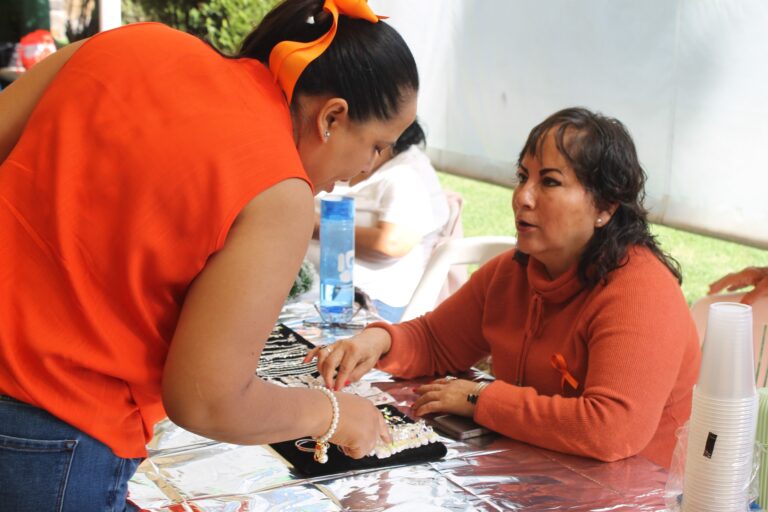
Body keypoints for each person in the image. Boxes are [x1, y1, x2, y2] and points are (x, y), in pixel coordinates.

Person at [0, 0, 418, 509]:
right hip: (47, 434)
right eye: (377, 146)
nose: (365, 171)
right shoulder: (280, 189)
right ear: (332, 116)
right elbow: (207, 398)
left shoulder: (138, 41)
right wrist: (333, 414)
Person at [308, 107, 701, 468]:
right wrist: (376, 343)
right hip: (539, 474)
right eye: (522, 177)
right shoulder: (513, 272)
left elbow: (611, 429)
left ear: (605, 208)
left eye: (549, 181)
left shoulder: (640, 291)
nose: (522, 197)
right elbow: (435, 340)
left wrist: (478, 398)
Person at [307, 120, 449, 322]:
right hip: (313, 288)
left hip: (364, 303)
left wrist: (314, 225)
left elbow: (392, 243)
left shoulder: (408, 174)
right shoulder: (347, 157)